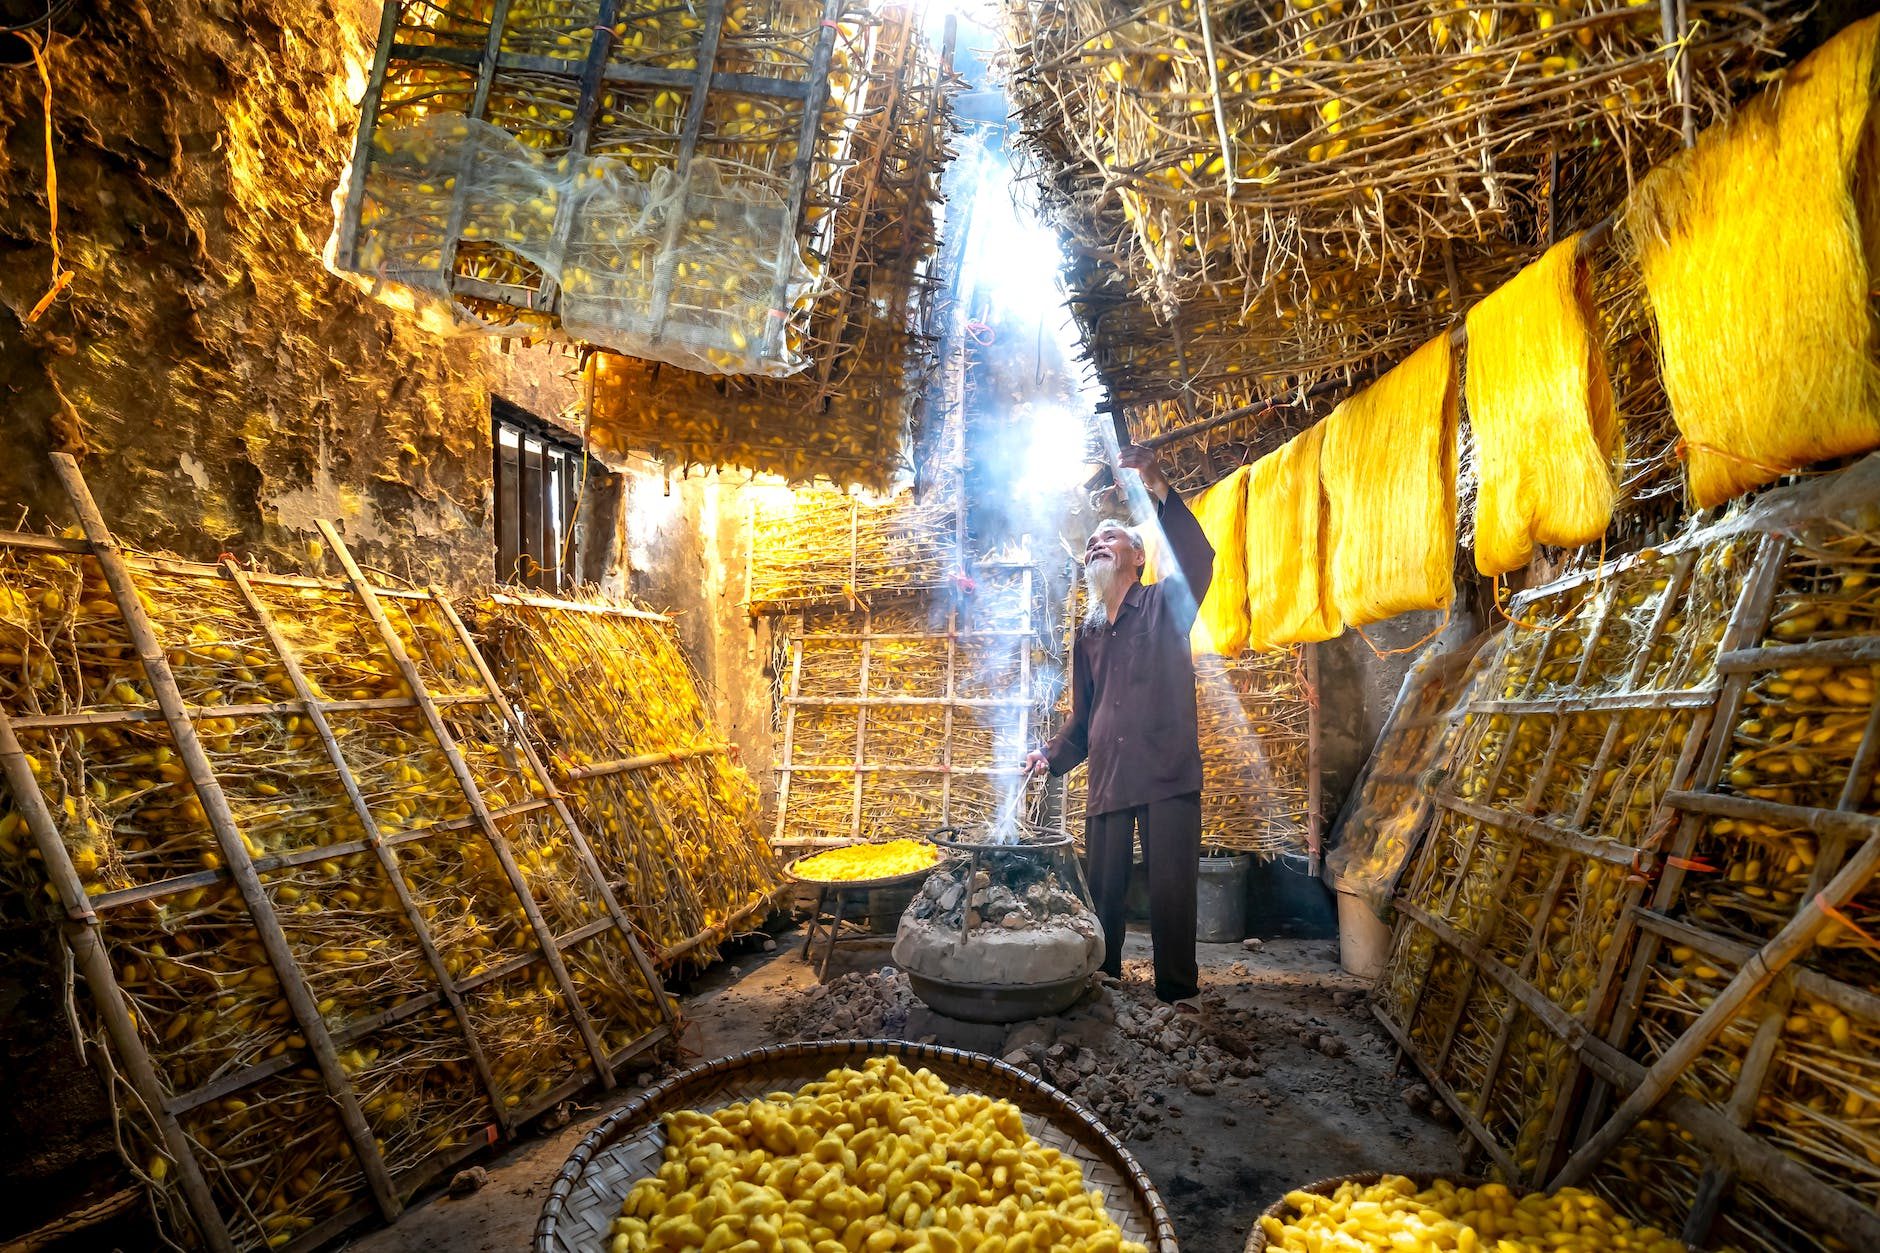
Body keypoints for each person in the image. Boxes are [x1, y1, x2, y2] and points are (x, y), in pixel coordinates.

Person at [1024, 444, 1213, 1009]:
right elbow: (1083, 720)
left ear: (1137, 558)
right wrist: (1050, 757)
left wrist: (1158, 486)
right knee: (1101, 888)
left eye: (1110, 539)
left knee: (1171, 886)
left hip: (1166, 768)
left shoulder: (1165, 606)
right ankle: (1103, 982)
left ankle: (1176, 993)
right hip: (1108, 771)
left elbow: (1198, 560)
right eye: (1091, 544)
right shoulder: (1086, 635)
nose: (1096, 546)